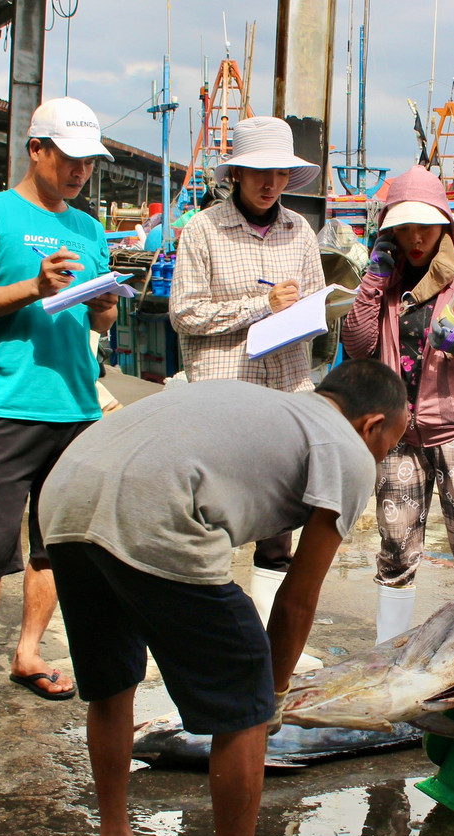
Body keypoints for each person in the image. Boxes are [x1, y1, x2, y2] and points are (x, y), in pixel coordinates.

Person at [37, 358, 407, 836]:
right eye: (390, 444)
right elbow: (297, 597)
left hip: (64, 495)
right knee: (244, 700)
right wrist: (272, 695)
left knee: (111, 683)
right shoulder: (349, 450)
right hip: (156, 511)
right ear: (371, 424)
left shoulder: (264, 403)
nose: (382, 457)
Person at [0, 96, 119, 735]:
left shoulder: (91, 230)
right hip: (12, 406)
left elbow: (98, 316)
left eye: (89, 162)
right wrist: (34, 288)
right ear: (36, 149)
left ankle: (28, 653)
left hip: (77, 409)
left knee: (55, 550)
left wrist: (104, 307)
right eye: (70, 158)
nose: (80, 172)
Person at [341, 166, 454, 642]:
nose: (416, 237)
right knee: (396, 545)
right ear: (390, 231)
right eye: (404, 227)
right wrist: (371, 283)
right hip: (399, 433)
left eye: (426, 225)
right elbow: (359, 345)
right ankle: (389, 655)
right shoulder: (385, 283)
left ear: (446, 223)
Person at [169, 115, 326, 639]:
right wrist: (262, 305)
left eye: (280, 173)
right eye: (259, 172)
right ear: (235, 173)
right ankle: (205, 635)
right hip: (224, 401)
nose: (270, 184)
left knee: (281, 524)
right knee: (212, 518)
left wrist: (309, 313)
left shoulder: (300, 231)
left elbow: (318, 306)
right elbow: (185, 314)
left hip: (285, 396)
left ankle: (269, 638)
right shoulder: (203, 229)